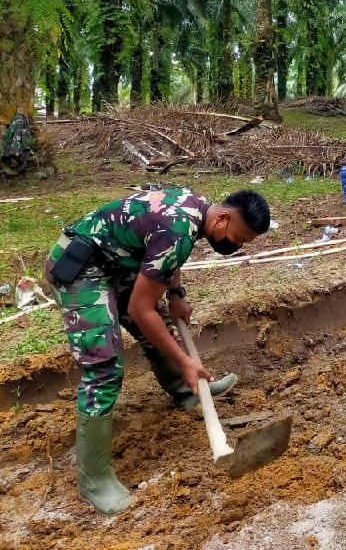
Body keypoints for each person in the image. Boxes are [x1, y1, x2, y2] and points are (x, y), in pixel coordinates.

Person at [44, 187, 271, 515]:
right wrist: (185, 361)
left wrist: (176, 294)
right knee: (104, 367)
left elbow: (166, 257)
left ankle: (185, 391)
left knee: (161, 323)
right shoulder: (179, 227)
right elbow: (140, 309)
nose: (237, 246)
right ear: (223, 217)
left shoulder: (196, 212)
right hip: (82, 269)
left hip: (115, 262)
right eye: (240, 238)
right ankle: (94, 481)